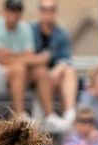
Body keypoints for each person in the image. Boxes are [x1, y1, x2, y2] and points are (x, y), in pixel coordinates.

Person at [0, 0, 58, 127]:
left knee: (40, 70)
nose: (14, 15)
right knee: (20, 68)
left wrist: (14, 56)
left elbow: (28, 56)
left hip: (11, 76)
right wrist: (28, 58)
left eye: (17, 11)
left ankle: (50, 116)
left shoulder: (25, 28)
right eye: (11, 11)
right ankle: (19, 114)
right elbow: (0, 57)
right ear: (4, 12)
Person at [32, 1, 79, 130]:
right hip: (33, 77)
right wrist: (40, 61)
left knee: (69, 70)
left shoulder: (61, 34)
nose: (48, 13)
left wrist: (58, 69)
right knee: (41, 72)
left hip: (53, 78)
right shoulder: (30, 30)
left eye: (51, 9)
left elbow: (66, 59)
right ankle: (50, 115)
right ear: (39, 11)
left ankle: (70, 113)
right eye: (44, 9)